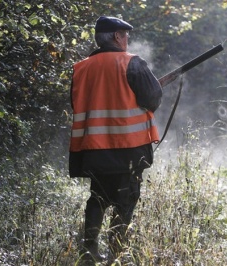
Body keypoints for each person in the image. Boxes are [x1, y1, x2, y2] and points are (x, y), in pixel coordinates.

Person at [69, 16, 162, 263]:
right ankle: (116, 254)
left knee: (98, 197)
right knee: (125, 200)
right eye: (125, 34)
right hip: (128, 149)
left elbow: (78, 103)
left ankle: (88, 251)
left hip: (94, 149)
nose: (127, 39)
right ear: (116, 37)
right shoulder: (132, 63)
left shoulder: (81, 68)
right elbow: (152, 99)